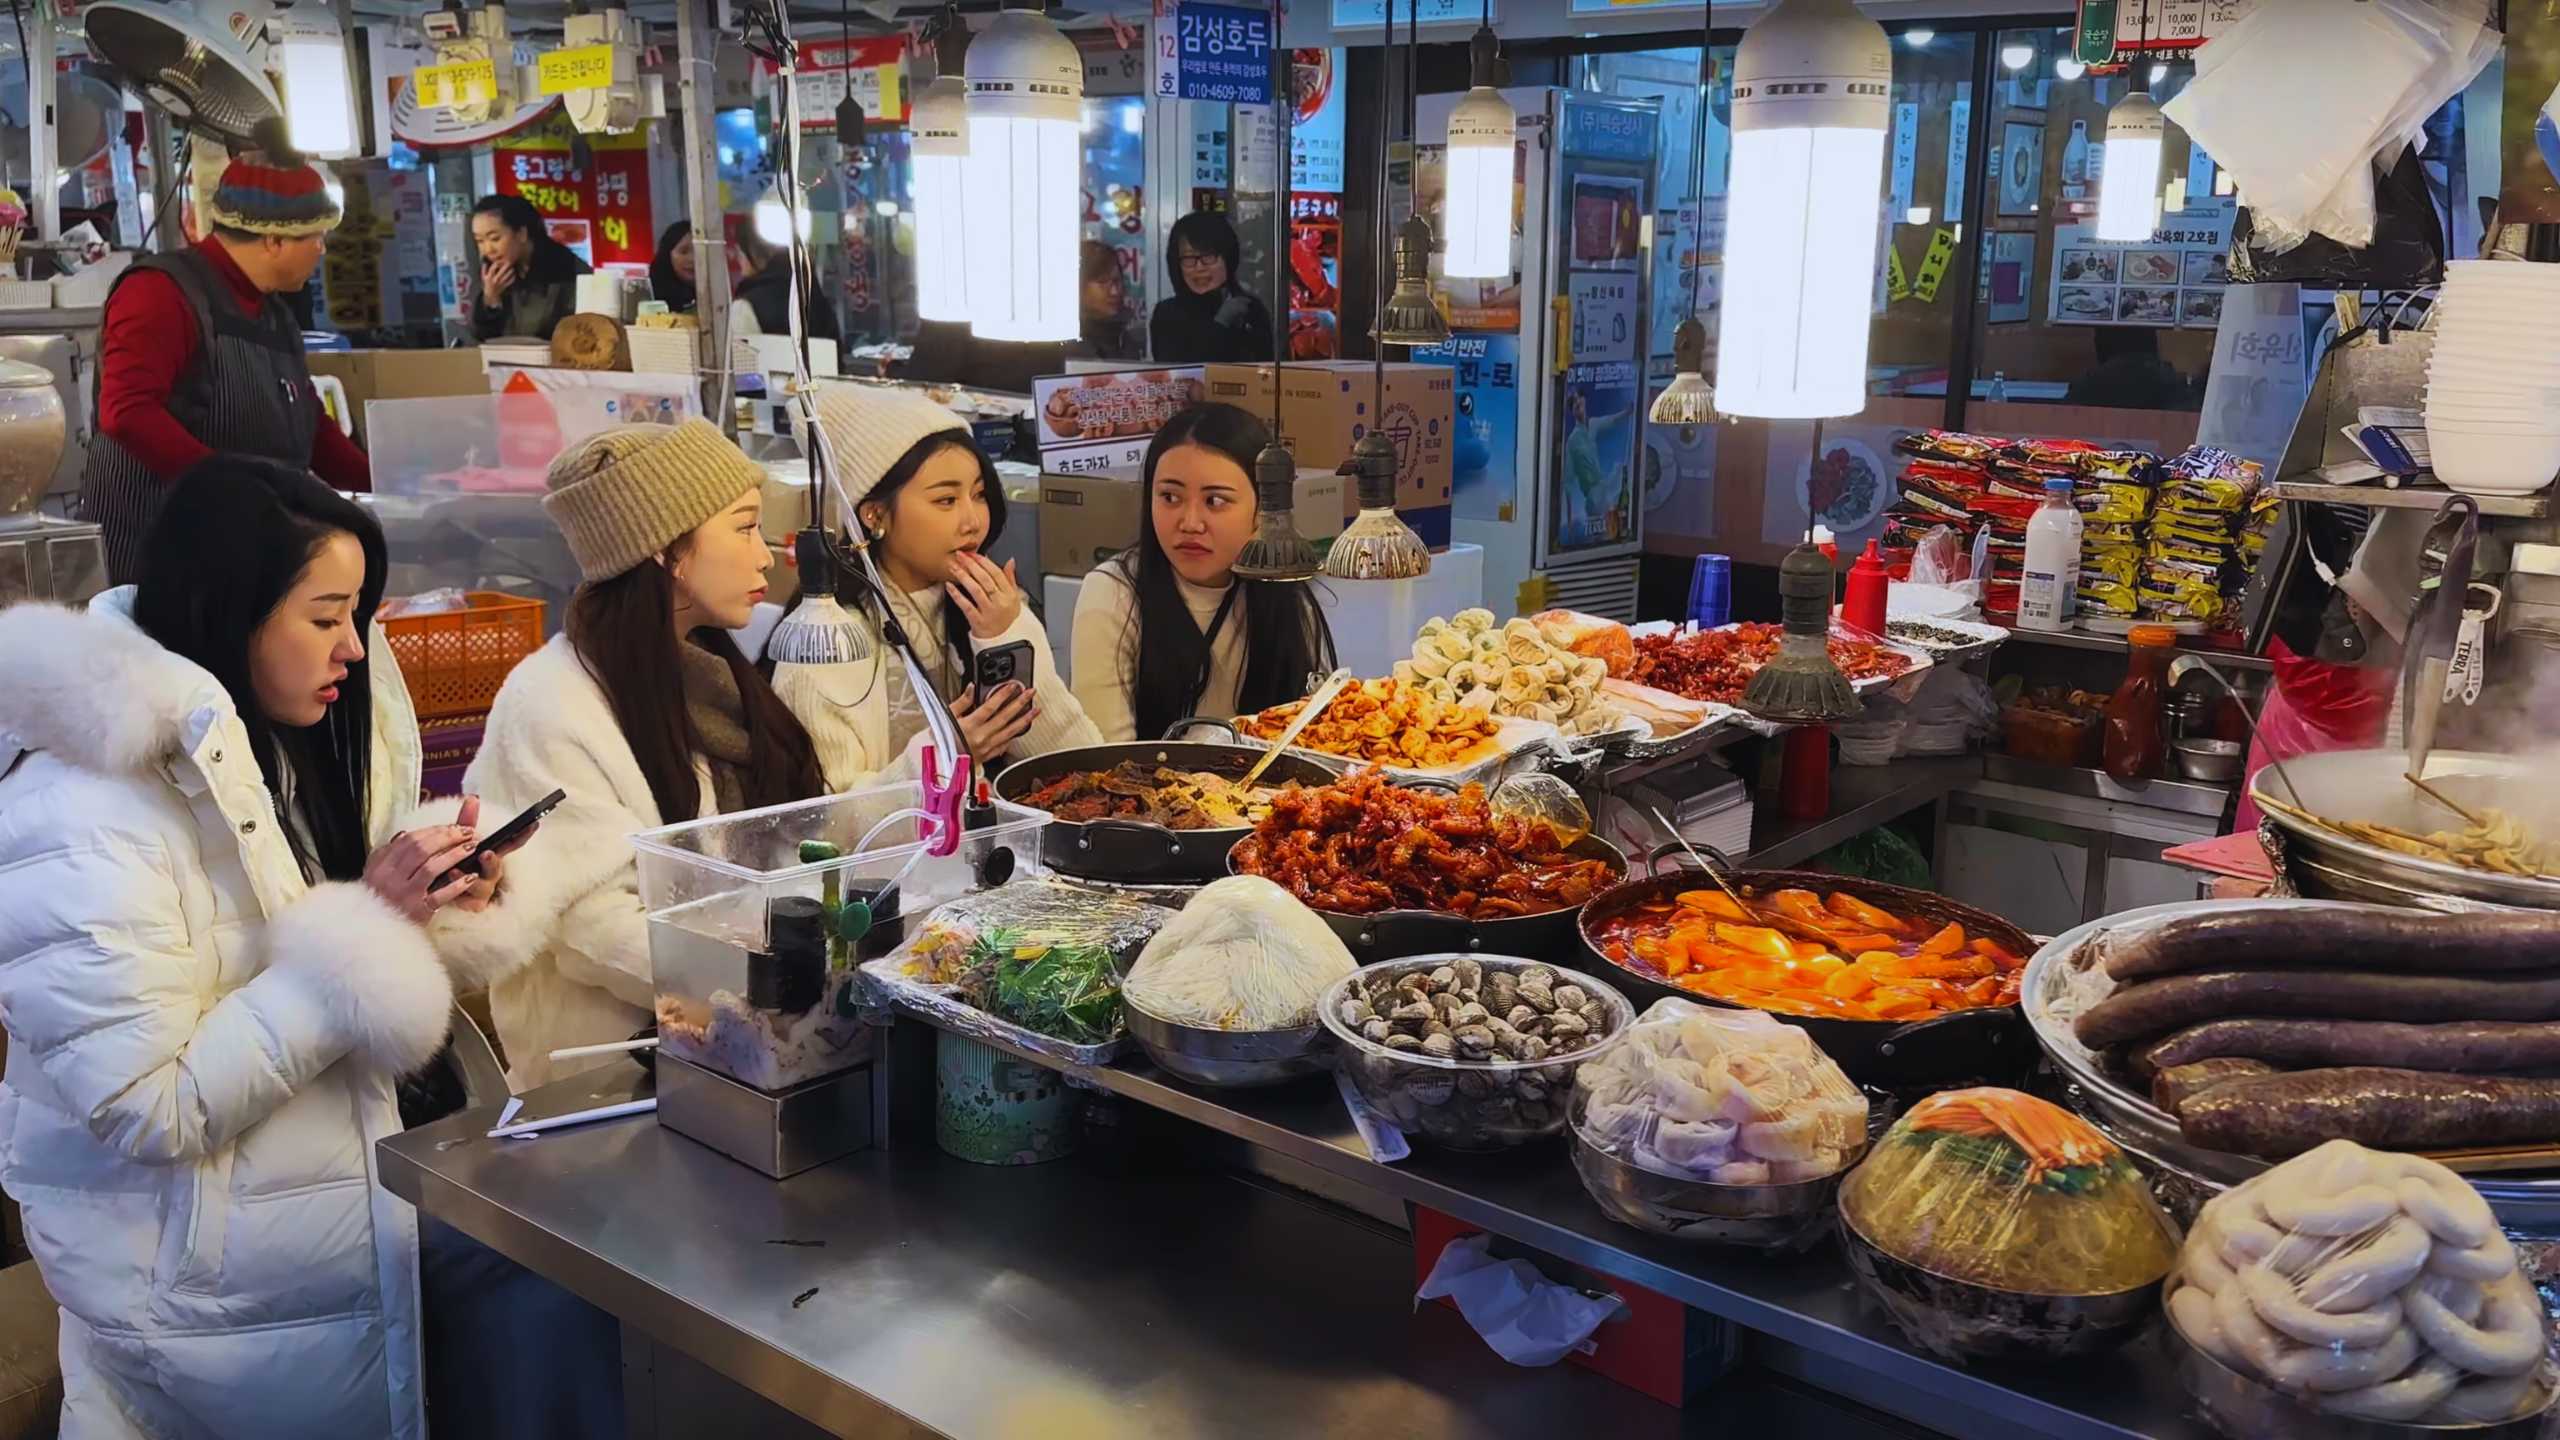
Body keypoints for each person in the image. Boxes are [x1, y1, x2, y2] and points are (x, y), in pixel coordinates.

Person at [0, 459, 506, 1437]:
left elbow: (303, 950)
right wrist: (373, 930)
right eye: (324, 618)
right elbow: (150, 1106)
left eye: (357, 615)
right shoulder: (80, 809)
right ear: (228, 606)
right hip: (206, 1314)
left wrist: (436, 900)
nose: (352, 649)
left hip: (338, 1239)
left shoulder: (253, 740)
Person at [440, 419, 841, 1086]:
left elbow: (793, 833)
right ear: (664, 550)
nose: (765, 555)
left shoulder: (708, 669)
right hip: (616, 1079)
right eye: (743, 527)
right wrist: (765, 978)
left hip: (742, 1049)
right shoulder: (551, 705)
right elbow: (591, 927)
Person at [80, 156, 370, 584]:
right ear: (274, 240)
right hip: (166, 554)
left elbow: (313, 428)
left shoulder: (273, 312)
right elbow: (127, 413)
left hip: (247, 547)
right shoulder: (160, 292)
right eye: (318, 237)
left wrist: (393, 486)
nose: (322, 250)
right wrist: (234, 490)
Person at [786, 384, 1099, 778]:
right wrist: (945, 756)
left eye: (980, 494)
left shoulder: (992, 609)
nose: (973, 521)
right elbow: (828, 823)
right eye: (946, 501)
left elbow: (1075, 765)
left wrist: (1005, 636)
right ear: (874, 515)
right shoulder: (828, 640)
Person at [1071, 403, 1337, 743]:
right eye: (1169, 497)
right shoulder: (1113, 593)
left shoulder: (1284, 588)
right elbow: (1105, 757)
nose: (1190, 523)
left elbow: (1316, 734)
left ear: (1264, 510)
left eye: (1215, 501)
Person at [1150, 211, 1274, 363]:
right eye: (1189, 259)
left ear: (1228, 258)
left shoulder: (1249, 309)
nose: (1199, 267)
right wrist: (1221, 323)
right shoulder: (1167, 314)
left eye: (1208, 257)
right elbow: (1179, 376)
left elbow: (1266, 372)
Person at [471, 193, 591, 342]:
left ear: (521, 234)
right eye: (480, 241)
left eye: (495, 238)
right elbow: (483, 339)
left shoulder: (566, 270)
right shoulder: (491, 274)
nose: (488, 250)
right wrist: (490, 300)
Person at [732, 224, 842, 343]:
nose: (740, 265)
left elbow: (741, 357)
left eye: (739, 254)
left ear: (752, 253)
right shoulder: (817, 300)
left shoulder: (744, 308)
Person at [1070, 238, 1141, 361]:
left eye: (1117, 281)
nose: (1115, 292)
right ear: (1079, 285)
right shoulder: (1064, 344)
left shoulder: (1125, 340)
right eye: (1102, 282)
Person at [649, 220, 697, 314]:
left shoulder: (716, 293)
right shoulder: (651, 296)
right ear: (667, 255)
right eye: (684, 252)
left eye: (698, 251)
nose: (692, 259)